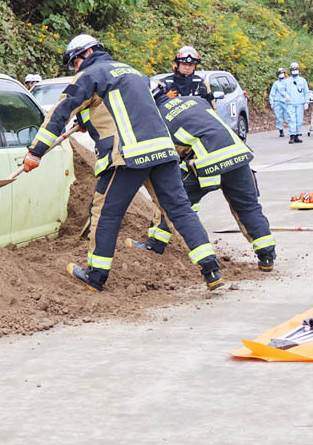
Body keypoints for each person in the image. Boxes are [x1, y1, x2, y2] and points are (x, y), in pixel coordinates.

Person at [23, 34, 224, 292]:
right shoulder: (135, 73)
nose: (75, 68)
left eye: (74, 62)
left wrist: (36, 152)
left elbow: (60, 112)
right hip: (163, 150)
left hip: (129, 156)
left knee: (106, 213)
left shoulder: (89, 75)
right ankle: (211, 269)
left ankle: (95, 276)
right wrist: (87, 121)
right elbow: (127, 109)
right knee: (179, 210)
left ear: (84, 55)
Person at [126, 81, 277, 271]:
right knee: (248, 206)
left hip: (206, 161)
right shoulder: (194, 100)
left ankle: (155, 245)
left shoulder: (155, 118)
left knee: (174, 203)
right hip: (238, 154)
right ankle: (266, 255)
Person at [283, 62, 308, 144]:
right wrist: (285, 95)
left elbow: (306, 92)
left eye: (296, 69)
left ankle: (297, 135)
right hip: (290, 103)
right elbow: (282, 91)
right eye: (293, 69)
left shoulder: (302, 80)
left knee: (299, 120)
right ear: (290, 70)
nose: (294, 71)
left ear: (298, 70)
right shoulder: (286, 81)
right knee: (292, 120)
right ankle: (292, 136)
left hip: (300, 103)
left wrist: (306, 102)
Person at [269, 67, 288, 137]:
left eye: (282, 73)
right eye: (280, 73)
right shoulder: (276, 83)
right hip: (277, 101)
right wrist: (271, 102)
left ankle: (292, 131)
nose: (281, 74)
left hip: (286, 101)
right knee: (278, 117)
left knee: (288, 116)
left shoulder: (288, 82)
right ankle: (281, 131)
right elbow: (272, 93)